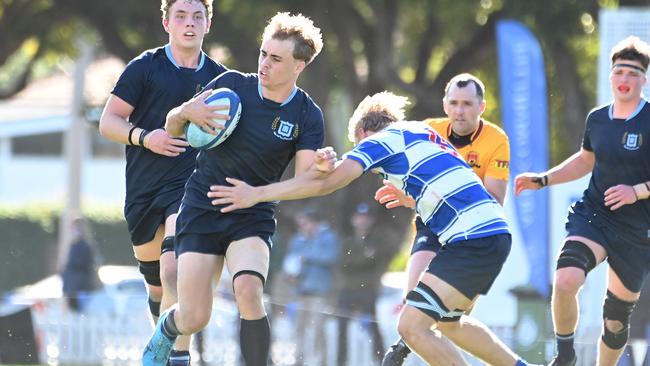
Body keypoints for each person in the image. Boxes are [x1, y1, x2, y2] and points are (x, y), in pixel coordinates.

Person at [208, 91, 536, 366]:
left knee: (410, 326)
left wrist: (257, 194)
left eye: (357, 144)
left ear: (364, 132)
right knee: (448, 323)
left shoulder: (378, 142)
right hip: (491, 231)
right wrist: (414, 198)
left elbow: (326, 184)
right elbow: (451, 181)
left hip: (471, 238)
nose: (377, 173)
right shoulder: (424, 133)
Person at [141, 12, 325, 366]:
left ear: (299, 66)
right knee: (194, 317)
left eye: (276, 59)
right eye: (263, 54)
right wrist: (183, 111)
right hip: (202, 207)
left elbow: (305, 183)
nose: (264, 65)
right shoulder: (232, 88)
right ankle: (165, 331)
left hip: (252, 214)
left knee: (249, 290)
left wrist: (255, 195)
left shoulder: (307, 114)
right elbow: (173, 126)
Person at [98, 1, 227, 364]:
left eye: (197, 16)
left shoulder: (222, 80)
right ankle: (165, 349)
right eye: (181, 16)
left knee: (175, 268)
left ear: (209, 22)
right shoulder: (144, 67)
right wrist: (146, 137)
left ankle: (179, 360)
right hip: (143, 191)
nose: (190, 24)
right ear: (166, 21)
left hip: (189, 187)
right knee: (157, 284)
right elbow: (109, 122)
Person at [514, 36, 650, 366]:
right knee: (565, 280)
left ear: (644, 79)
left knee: (615, 321)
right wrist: (544, 179)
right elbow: (585, 160)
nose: (624, 79)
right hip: (594, 216)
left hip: (636, 228)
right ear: (610, 76)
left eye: (632, 73)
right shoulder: (597, 119)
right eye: (619, 71)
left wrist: (637, 191)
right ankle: (564, 355)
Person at [377, 73, 511, 365]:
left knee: (449, 321)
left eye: (467, 104)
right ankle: (404, 344)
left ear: (482, 107)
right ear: (444, 105)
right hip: (433, 223)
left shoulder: (496, 139)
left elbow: (495, 199)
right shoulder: (428, 129)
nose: (460, 110)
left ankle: (406, 345)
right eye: (454, 103)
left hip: (474, 230)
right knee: (414, 297)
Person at [285, 207, 339, 365]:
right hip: (300, 291)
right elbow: (291, 261)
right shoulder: (297, 240)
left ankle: (321, 361)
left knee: (318, 330)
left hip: (320, 292)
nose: (302, 227)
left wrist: (307, 257)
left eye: (305, 223)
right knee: (298, 329)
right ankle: (298, 360)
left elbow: (330, 257)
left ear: (314, 222)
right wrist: (291, 275)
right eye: (299, 224)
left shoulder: (328, 237)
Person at [336, 202, 387, 365]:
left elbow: (377, 264)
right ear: (353, 220)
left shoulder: (376, 240)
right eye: (359, 217)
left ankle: (382, 361)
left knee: (374, 328)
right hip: (348, 289)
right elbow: (343, 264)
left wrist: (358, 261)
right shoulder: (348, 241)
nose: (362, 221)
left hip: (368, 289)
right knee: (341, 327)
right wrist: (364, 258)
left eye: (365, 218)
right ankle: (341, 362)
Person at [61, 216, 99, 312]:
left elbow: (81, 268)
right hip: (73, 291)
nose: (72, 231)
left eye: (74, 228)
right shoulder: (74, 246)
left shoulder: (84, 246)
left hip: (80, 291)